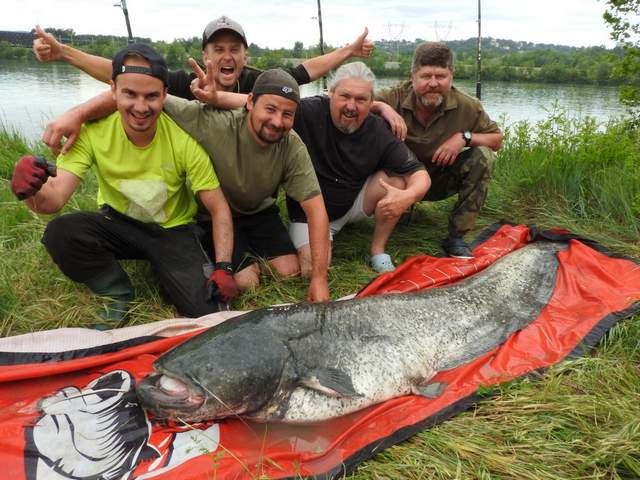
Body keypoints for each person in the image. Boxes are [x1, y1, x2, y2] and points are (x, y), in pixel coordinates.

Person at [45, 68, 331, 303]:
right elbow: (139, 97)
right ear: (250, 102)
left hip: (259, 212)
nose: (277, 121)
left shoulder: (292, 145)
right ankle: (227, 268)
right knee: (248, 283)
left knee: (295, 270)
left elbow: (316, 210)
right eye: (270, 109)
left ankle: (245, 263)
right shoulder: (211, 123)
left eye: (287, 114)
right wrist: (76, 115)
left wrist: (320, 280)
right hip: (214, 214)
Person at [10, 44, 236, 325]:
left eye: (151, 96)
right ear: (113, 90)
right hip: (118, 223)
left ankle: (165, 270)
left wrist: (224, 267)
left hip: (173, 231)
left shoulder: (184, 140)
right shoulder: (92, 133)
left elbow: (218, 209)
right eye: (130, 94)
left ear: (165, 95)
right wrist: (30, 189)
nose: (141, 107)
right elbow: (52, 202)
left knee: (209, 314)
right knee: (61, 232)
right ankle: (115, 291)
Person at [287, 62, 430, 274]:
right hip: (308, 212)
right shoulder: (307, 111)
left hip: (353, 203)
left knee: (398, 182)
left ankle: (378, 250)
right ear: (330, 94)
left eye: (361, 99)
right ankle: (321, 237)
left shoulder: (377, 128)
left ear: (372, 101)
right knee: (313, 270)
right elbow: (265, 102)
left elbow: (420, 174)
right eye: (344, 96)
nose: (351, 106)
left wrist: (408, 196)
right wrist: (218, 97)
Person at [373, 42, 503, 258]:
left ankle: (457, 236)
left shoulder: (468, 105)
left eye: (441, 76)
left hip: (440, 180)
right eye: (426, 76)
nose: (433, 83)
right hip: (399, 178)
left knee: (484, 156)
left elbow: (496, 140)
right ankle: (363, 214)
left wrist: (465, 138)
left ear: (451, 75)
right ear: (413, 75)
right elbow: (347, 103)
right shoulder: (392, 96)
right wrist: (381, 107)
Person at [32, 16, 373, 96]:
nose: (227, 57)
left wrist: (348, 51)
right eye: (218, 49)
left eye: (234, 50)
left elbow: (304, 71)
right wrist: (64, 52)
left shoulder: (258, 81)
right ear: (204, 55)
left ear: (245, 55)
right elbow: (121, 70)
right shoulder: (186, 83)